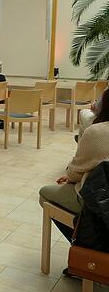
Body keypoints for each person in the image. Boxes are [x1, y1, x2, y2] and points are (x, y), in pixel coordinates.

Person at [40, 89, 109, 239]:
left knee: (45, 194)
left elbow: (74, 171)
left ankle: (83, 243)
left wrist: (71, 178)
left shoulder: (96, 132)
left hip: (99, 201)